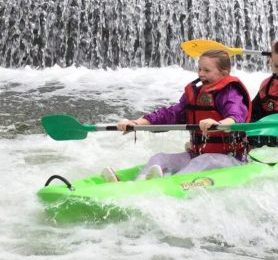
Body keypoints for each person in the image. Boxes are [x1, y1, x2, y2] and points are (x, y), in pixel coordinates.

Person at [105, 49, 250, 181]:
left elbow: (236, 117)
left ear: (224, 74)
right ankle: (136, 184)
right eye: (199, 69)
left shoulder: (231, 93)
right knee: (159, 157)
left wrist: (219, 124)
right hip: (197, 155)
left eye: (207, 70)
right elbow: (170, 114)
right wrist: (137, 123)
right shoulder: (196, 93)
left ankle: (165, 185)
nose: (201, 74)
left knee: (205, 160)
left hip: (232, 159)